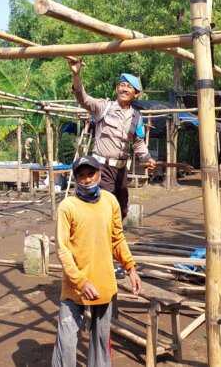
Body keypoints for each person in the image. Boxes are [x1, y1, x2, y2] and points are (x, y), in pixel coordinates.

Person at [52, 155, 142, 367]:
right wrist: (80, 281)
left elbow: (117, 238)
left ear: (99, 174)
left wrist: (130, 268)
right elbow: (62, 249)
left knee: (101, 341)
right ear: (75, 179)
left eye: (90, 174)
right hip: (74, 288)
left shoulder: (110, 202)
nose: (86, 179)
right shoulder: (67, 207)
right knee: (66, 341)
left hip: (103, 283)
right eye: (81, 175)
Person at [69, 60, 156, 220]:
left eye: (129, 86)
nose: (124, 88)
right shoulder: (104, 107)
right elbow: (83, 99)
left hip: (121, 170)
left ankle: (112, 238)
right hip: (101, 168)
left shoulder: (136, 117)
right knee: (104, 207)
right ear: (117, 89)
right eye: (121, 85)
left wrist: (147, 158)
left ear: (136, 94)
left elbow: (138, 143)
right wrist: (76, 74)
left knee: (122, 209)